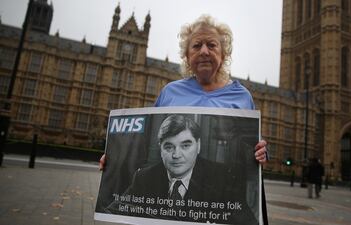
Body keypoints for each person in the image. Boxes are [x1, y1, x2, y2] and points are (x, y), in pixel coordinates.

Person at [99, 14, 269, 224]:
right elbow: (114, 208)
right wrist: (112, 159)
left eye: (212, 45)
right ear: (187, 56)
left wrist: (261, 153)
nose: (204, 51)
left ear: (223, 54)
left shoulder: (242, 97)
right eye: (196, 46)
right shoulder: (170, 92)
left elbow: (253, 149)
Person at [106, 114, 257, 224]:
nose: (176, 155)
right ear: (160, 149)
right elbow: (112, 212)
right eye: (169, 146)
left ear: (198, 146)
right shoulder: (144, 177)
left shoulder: (222, 177)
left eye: (185, 145)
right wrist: (109, 162)